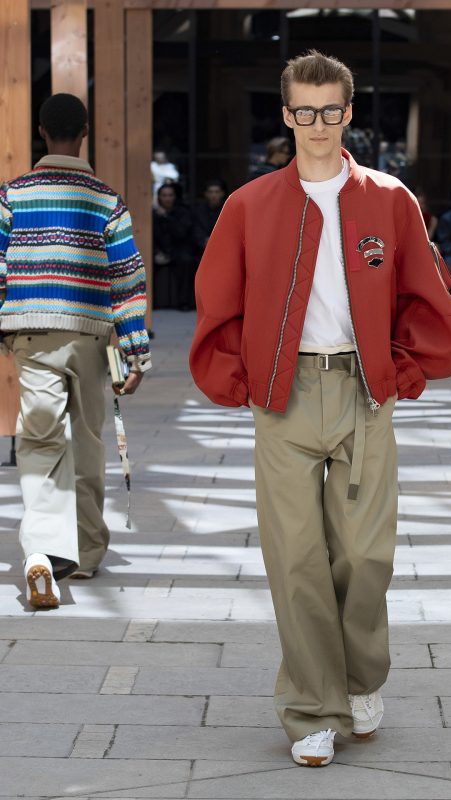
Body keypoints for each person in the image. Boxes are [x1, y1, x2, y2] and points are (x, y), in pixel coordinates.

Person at [190, 50, 451, 767]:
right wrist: (237, 379)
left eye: (331, 110)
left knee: (366, 553)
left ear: (348, 113)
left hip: (363, 391)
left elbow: (425, 291)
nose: (318, 124)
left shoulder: (390, 199)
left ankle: (360, 680)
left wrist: (405, 368)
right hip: (283, 397)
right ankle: (312, 707)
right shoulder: (248, 205)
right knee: (296, 558)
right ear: (286, 115)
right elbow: (217, 297)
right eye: (305, 111)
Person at [0, 93, 151, 608]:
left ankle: (44, 552)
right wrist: (135, 351)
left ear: (41, 132)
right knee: (86, 440)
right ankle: (85, 553)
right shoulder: (107, 200)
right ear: (85, 134)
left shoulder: (12, 196)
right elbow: (127, 278)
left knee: (40, 440)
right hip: (88, 335)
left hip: (31, 333)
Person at [152, 182, 194, 310]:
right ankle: (150, 302)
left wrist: (166, 216)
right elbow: (150, 236)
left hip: (178, 250)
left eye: (170, 195)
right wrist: (156, 252)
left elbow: (181, 233)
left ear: (175, 197)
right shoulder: (153, 215)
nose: (167, 198)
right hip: (159, 251)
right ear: (159, 197)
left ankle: (184, 302)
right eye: (164, 195)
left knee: (187, 262)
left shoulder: (183, 212)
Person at [192, 179, 227, 260]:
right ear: (206, 194)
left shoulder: (228, 210)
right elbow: (196, 231)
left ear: (222, 193)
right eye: (210, 192)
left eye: (217, 192)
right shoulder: (198, 211)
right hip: (202, 250)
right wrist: (204, 241)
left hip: (223, 248)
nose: (213, 195)